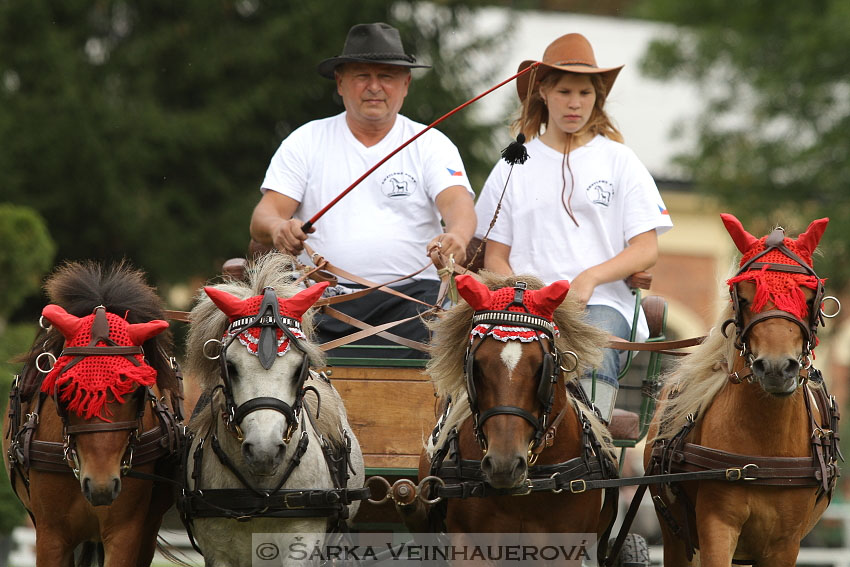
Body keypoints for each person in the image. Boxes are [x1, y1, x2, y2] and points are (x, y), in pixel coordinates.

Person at [474, 33, 673, 422]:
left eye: (585, 92)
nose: (575, 102)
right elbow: (495, 255)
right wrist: (522, 296)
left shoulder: (620, 160)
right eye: (564, 90)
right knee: (485, 360)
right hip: (523, 306)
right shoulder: (513, 163)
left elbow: (645, 248)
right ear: (543, 93)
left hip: (601, 302)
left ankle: (590, 448)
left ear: (596, 97)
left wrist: (589, 278)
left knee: (591, 360)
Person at [250, 22, 476, 358]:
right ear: (340, 83)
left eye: (386, 76)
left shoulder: (432, 144)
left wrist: (457, 235)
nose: (374, 87)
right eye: (361, 76)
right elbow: (263, 217)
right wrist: (279, 227)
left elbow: (459, 207)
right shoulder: (305, 140)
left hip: (416, 303)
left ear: (405, 84)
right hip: (322, 303)